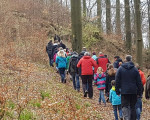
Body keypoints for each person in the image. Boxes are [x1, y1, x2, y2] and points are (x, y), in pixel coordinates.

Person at [115, 55, 143, 120]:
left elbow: (117, 80)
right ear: (131, 60)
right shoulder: (135, 69)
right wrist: (140, 92)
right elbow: (139, 82)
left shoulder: (120, 69)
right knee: (132, 106)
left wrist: (117, 91)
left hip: (124, 91)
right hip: (133, 91)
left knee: (125, 106)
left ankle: (127, 118)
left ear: (125, 59)